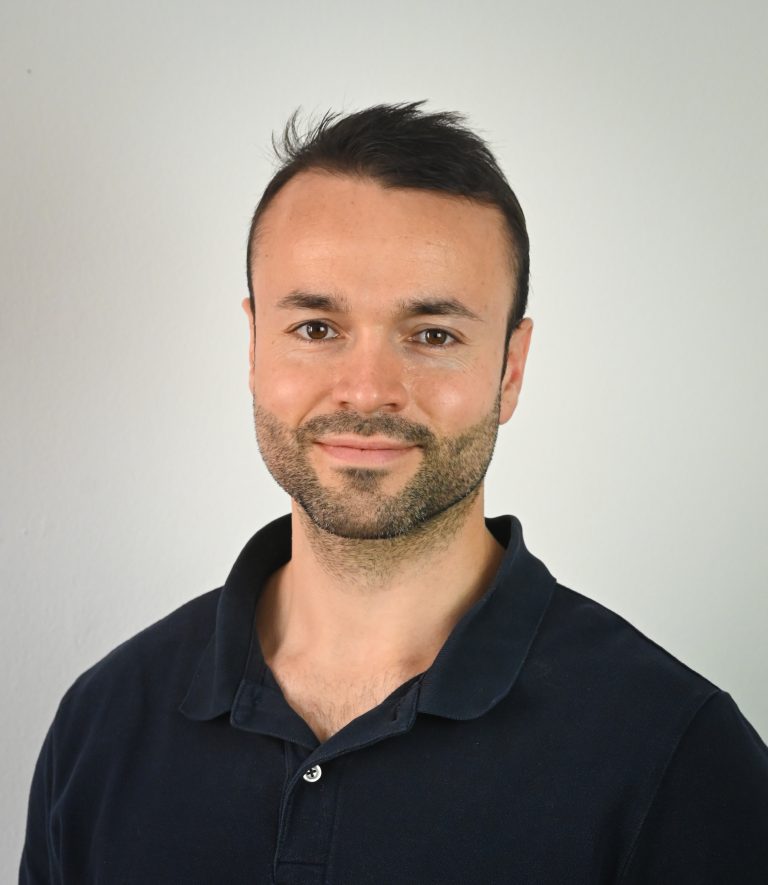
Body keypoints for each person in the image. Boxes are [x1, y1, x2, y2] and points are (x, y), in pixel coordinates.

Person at [20, 103, 768, 884]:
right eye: (316, 328)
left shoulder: (678, 755)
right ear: (253, 345)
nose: (368, 388)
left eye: (433, 335)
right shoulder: (102, 722)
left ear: (510, 369)